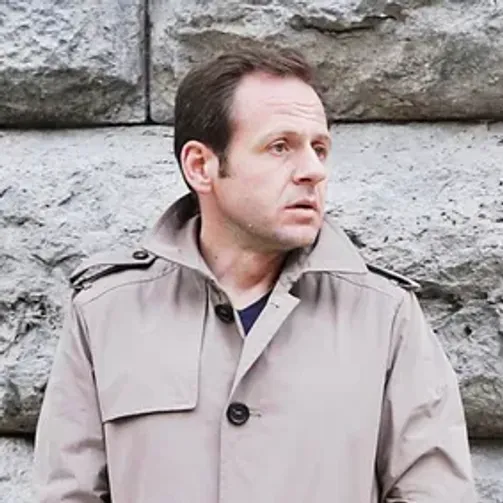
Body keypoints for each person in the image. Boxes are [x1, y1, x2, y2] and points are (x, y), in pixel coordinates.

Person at [34, 47, 476, 502]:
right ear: (201, 166)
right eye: (280, 147)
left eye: (319, 148)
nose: (313, 171)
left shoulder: (383, 315)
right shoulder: (107, 313)